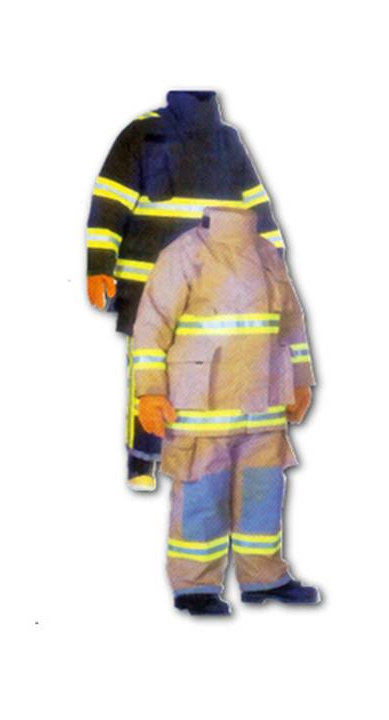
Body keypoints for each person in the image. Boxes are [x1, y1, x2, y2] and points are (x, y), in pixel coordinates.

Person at [85, 91, 288, 491]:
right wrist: (99, 263)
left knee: (203, 368)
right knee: (150, 362)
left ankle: (195, 455)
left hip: (212, 283)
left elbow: (256, 208)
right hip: (147, 279)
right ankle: (143, 456)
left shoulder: (227, 141)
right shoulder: (143, 133)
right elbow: (111, 198)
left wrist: (273, 265)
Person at [131, 206, 320, 615]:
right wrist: (149, 392)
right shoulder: (184, 253)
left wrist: (301, 379)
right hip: (202, 409)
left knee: (262, 496)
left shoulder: (267, 254)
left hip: (264, 408)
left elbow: (291, 324)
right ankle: (194, 586)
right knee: (202, 497)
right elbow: (150, 328)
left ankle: (264, 577)